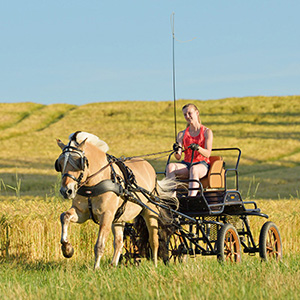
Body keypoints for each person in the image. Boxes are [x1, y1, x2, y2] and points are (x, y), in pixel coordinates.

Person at [166, 103, 213, 197]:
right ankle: (172, 198)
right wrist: (176, 149)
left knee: (194, 169)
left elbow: (207, 154)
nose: (187, 116)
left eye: (189, 113)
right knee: (170, 167)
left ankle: (191, 198)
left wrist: (198, 148)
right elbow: (178, 157)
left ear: (197, 113)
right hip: (187, 164)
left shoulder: (207, 132)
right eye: (185, 114)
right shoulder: (181, 134)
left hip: (202, 164)